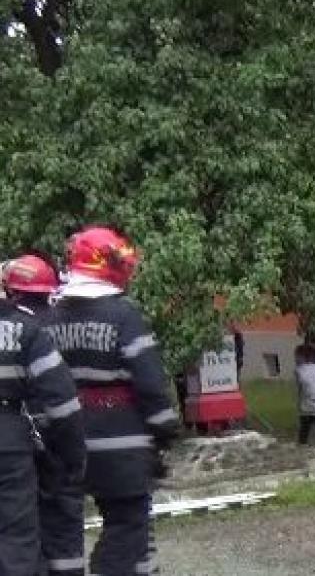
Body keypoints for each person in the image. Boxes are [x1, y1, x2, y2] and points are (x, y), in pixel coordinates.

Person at [42, 226, 180, 576]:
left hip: (67, 438)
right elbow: (148, 382)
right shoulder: (123, 315)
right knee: (127, 525)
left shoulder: (51, 317)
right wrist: (164, 429)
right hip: (122, 440)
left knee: (66, 527)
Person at [1, 254, 87, 576]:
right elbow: (63, 404)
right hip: (11, 442)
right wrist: (73, 456)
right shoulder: (26, 330)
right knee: (17, 541)